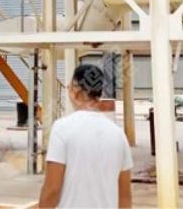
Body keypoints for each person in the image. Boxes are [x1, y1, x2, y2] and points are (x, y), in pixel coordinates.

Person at [39, 64, 133, 208]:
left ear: (75, 90)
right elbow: (125, 196)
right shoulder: (118, 134)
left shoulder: (62, 129)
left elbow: (52, 189)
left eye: (69, 87)